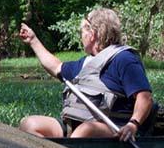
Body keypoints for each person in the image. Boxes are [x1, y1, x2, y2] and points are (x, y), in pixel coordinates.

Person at [18, 8, 154, 141]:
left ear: (92, 33)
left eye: (82, 31)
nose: (81, 36)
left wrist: (133, 124)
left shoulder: (124, 59)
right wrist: (33, 40)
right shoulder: (87, 63)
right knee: (29, 124)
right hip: (74, 128)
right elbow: (56, 67)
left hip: (115, 130)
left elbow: (144, 97)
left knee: (85, 131)